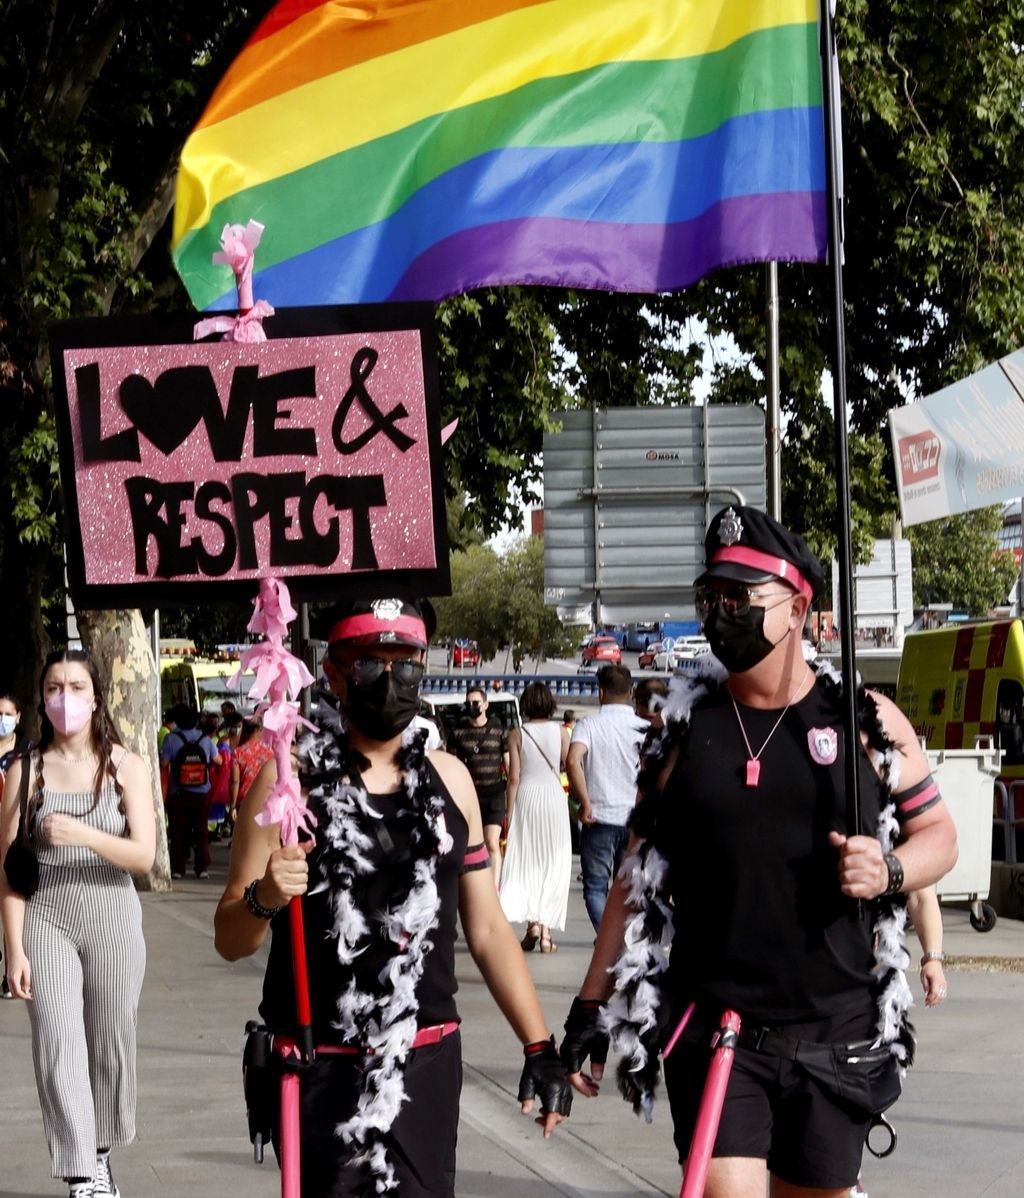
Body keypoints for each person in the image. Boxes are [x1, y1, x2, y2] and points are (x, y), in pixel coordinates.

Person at [561, 505, 958, 1198]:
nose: (721, 612)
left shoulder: (866, 723)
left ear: (798, 606)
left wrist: (890, 869)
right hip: (719, 1030)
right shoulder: (681, 734)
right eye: (710, 596)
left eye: (740, 598)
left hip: (836, 1033)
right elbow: (633, 880)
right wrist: (589, 1009)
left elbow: (941, 838)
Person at [214, 597, 571, 1198]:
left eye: (404, 662)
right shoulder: (286, 782)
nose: (390, 678)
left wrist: (539, 1047)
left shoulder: (450, 777)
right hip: (319, 1067)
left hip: (425, 1067)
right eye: (368, 664)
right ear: (333, 673)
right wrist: (266, 896)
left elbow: (485, 932)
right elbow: (230, 937)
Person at [0, 648, 155, 1198]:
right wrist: (13, 949)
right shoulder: (24, 770)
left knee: (112, 1037)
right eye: (53, 688)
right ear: (42, 700)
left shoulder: (125, 766)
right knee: (57, 1040)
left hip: (111, 913)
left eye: (76, 688)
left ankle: (101, 1149)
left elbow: (145, 857)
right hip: (47, 918)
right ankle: (81, 1171)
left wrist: (84, 835)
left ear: (96, 698)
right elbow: (10, 871)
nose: (64, 699)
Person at [565, 664, 647, 930]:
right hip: (635, 820)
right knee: (628, 889)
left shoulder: (588, 725)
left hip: (598, 818)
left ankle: (606, 939)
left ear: (600, 692)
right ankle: (622, 940)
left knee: (595, 888)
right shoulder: (644, 728)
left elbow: (573, 760)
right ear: (632, 692)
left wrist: (585, 802)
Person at [499, 682, 572, 954]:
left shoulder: (517, 734)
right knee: (552, 862)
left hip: (527, 797)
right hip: (553, 798)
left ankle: (531, 926)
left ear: (526, 704)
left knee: (529, 860)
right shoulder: (562, 733)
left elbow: (514, 777)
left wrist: (510, 811)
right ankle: (546, 934)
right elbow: (566, 765)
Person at [447, 684, 509, 886]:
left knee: (491, 841)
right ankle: (473, 884)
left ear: (486, 705)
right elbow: (451, 765)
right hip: (470, 796)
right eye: (468, 703)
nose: (472, 706)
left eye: (476, 703)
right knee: (472, 843)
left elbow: (507, 764)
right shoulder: (457, 732)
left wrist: (513, 789)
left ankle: (494, 888)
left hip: (495, 794)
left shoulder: (499, 730)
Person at [161, 702, 221, 879]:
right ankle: (202, 868)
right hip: (202, 793)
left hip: (178, 793)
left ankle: (178, 869)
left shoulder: (171, 739)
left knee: (178, 831)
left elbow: (164, 763)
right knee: (201, 831)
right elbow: (219, 761)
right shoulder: (206, 739)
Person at [0, 688, 33, 998]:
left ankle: (14, 963)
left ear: (18, 717)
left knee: (10, 902)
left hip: (14, 841)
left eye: (7, 714)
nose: (2, 720)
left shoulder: (28, 754)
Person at [229, 715, 275, 829]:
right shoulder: (270, 751)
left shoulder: (238, 752)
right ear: (260, 729)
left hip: (244, 800)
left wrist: (232, 806)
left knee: (244, 832)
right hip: (265, 797)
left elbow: (235, 781)